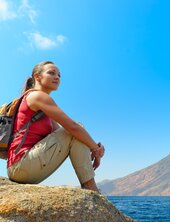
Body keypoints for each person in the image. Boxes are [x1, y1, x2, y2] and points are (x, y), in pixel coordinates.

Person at [7, 61, 104, 192]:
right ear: (37, 76)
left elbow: (66, 137)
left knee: (78, 134)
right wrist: (96, 149)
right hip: (21, 165)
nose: (57, 77)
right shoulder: (37, 96)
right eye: (51, 73)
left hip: (22, 169)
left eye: (59, 75)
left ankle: (89, 186)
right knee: (77, 128)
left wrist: (91, 146)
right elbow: (73, 128)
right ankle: (90, 187)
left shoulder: (44, 108)